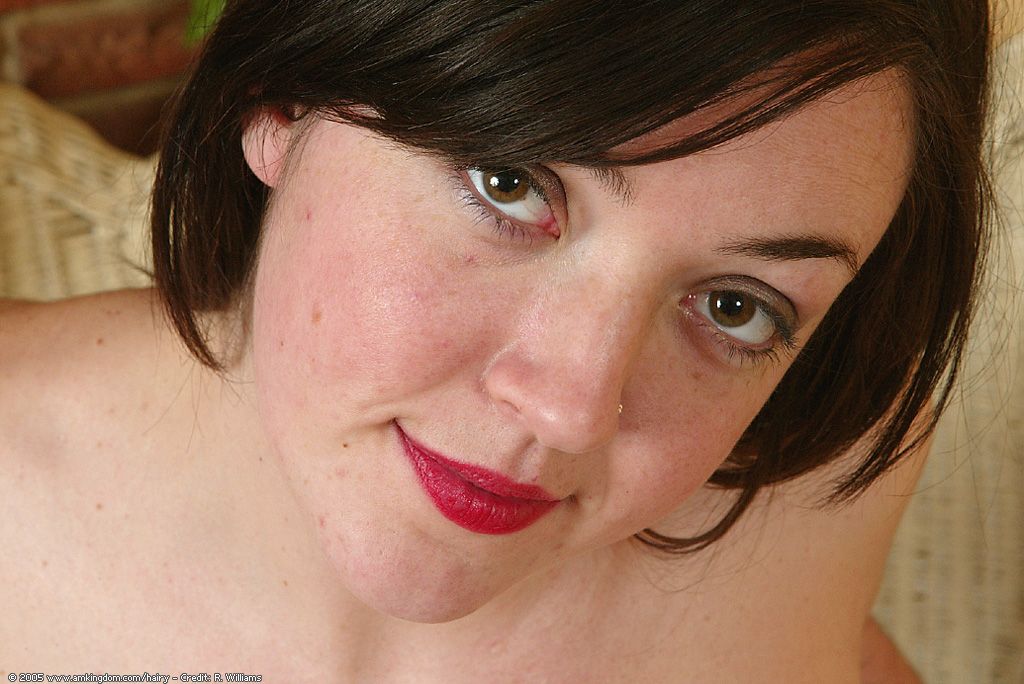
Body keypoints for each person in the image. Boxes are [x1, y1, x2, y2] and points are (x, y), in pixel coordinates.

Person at [0, 1, 995, 681]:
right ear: (284, 101)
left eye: (736, 306)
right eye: (509, 186)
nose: (570, 410)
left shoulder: (808, 513)